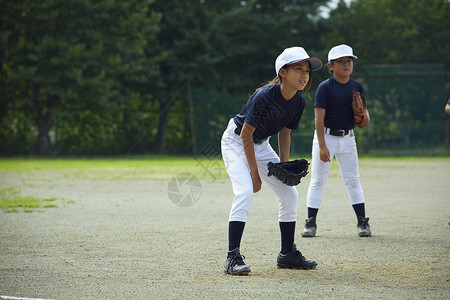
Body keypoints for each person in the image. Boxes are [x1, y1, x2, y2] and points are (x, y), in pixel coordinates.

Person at [221, 47, 323, 275]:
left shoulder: (298, 103)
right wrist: (255, 174)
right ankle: (232, 257)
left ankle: (287, 254)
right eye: (298, 69)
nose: (304, 75)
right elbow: (246, 134)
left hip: (261, 144)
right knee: (245, 191)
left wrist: (283, 167)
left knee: (289, 194)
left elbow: (284, 133)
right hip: (236, 142)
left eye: (307, 70)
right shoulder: (265, 96)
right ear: (283, 73)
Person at [301, 44, 371, 238]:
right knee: (317, 180)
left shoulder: (357, 86)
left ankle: (362, 222)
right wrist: (322, 146)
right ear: (331, 66)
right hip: (326, 137)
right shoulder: (325, 87)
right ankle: (310, 222)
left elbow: (362, 111)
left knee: (353, 180)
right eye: (341, 62)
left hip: (348, 138)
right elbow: (318, 118)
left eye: (349, 61)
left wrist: (367, 116)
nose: (346, 65)